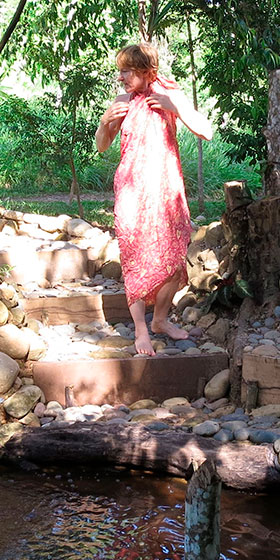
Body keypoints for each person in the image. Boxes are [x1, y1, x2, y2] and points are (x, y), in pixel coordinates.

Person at [95, 43, 213, 356]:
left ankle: (160, 320)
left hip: (165, 189)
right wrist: (105, 121)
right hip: (132, 191)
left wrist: (175, 109)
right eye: (120, 71)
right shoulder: (122, 101)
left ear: (148, 71)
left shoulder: (170, 94)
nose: (121, 77)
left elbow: (207, 132)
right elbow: (102, 145)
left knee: (173, 257)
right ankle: (140, 329)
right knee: (135, 256)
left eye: (127, 71)